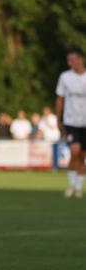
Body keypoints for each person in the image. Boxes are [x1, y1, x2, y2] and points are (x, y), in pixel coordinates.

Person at [56, 47, 86, 198]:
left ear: (80, 59)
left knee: (82, 155)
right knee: (74, 152)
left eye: (72, 60)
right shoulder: (65, 77)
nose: (70, 63)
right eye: (68, 60)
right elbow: (60, 98)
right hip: (71, 121)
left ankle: (79, 188)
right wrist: (58, 119)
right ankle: (71, 185)